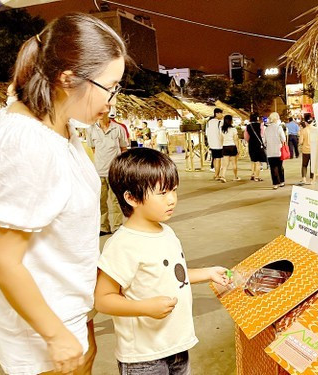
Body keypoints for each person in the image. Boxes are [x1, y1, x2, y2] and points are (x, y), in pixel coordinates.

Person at [0, 13, 127, 375]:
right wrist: (55, 334)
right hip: (41, 335)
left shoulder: (59, 124)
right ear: (68, 78)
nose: (113, 100)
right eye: (111, 86)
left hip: (69, 313)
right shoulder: (27, 143)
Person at [94, 148, 230, 375]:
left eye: (174, 190)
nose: (172, 199)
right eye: (163, 192)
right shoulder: (122, 245)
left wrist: (207, 273)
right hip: (143, 357)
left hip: (177, 345)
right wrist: (143, 307)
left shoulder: (166, 232)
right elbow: (103, 299)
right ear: (131, 197)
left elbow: (171, 275)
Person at [87, 112, 128, 236]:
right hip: (99, 172)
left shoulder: (118, 129)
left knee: (116, 200)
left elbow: (123, 148)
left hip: (114, 172)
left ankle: (117, 226)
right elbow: (93, 149)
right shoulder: (91, 130)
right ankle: (103, 227)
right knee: (101, 200)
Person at [263, 112, 287, 189]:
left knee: (273, 168)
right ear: (276, 118)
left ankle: (275, 183)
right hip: (278, 151)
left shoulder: (267, 129)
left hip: (270, 151)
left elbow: (264, 141)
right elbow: (283, 139)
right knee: (280, 166)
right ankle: (282, 181)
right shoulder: (279, 128)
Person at [244, 113, 266, 182]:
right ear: (257, 118)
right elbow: (262, 135)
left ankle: (253, 174)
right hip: (258, 144)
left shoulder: (248, 126)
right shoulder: (260, 125)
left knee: (253, 160)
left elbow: (246, 137)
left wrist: (249, 141)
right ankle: (257, 176)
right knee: (258, 162)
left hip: (251, 144)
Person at [219, 114, 240, 182]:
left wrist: (222, 146)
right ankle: (236, 176)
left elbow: (221, 139)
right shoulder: (233, 129)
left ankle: (223, 176)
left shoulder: (222, 129)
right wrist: (238, 148)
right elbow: (235, 139)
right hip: (232, 146)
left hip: (225, 146)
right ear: (231, 121)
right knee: (234, 163)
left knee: (225, 164)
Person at [205, 108, 224, 180]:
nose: (222, 115)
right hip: (218, 144)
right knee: (218, 159)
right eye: (221, 113)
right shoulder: (220, 123)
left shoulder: (208, 123)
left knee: (215, 159)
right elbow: (221, 134)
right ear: (217, 114)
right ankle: (217, 175)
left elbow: (206, 133)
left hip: (211, 143)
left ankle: (216, 174)